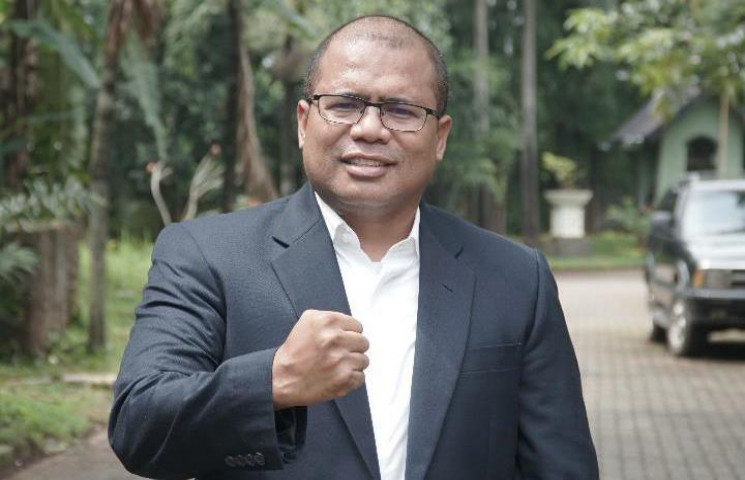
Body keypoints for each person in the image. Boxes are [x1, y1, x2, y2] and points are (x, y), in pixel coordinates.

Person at [109, 14, 599, 480]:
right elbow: (139, 425)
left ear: (440, 137)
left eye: (401, 110)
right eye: (344, 104)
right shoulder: (206, 255)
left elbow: (561, 467)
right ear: (304, 122)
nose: (369, 128)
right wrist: (273, 382)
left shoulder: (516, 277)